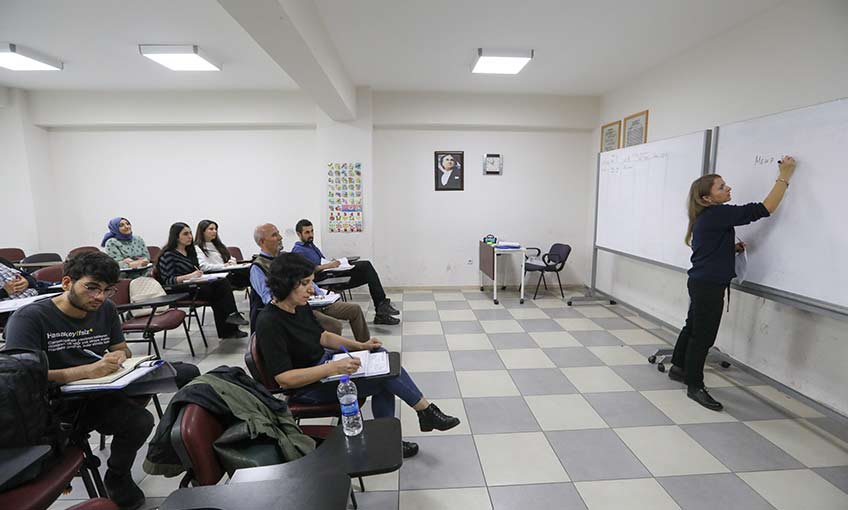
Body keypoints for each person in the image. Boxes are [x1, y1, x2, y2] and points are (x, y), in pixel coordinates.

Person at [255, 253, 460, 459]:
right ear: (285, 284)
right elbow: (285, 379)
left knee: (380, 357)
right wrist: (333, 368)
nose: (311, 289)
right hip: (307, 387)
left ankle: (405, 427)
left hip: (325, 367)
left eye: (311, 282)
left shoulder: (299, 306)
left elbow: (323, 336)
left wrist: (360, 345)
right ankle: (415, 420)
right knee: (384, 378)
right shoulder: (270, 322)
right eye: (305, 283)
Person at [3, 252, 153, 510]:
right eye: (92, 288)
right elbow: (20, 379)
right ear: (66, 283)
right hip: (46, 405)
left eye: (107, 290)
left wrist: (119, 355)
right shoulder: (29, 319)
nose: (99, 297)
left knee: (141, 420)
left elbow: (122, 348)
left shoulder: (106, 308)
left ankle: (117, 476)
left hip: (94, 393)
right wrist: (85, 371)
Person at [671, 155, 797, 411]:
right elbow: (764, 210)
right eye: (721, 187)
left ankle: (678, 368)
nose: (728, 188)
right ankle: (695, 386)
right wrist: (784, 176)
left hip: (700, 281)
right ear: (707, 198)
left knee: (693, 326)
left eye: (725, 184)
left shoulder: (706, 217)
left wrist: (732, 249)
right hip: (708, 285)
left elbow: (708, 249)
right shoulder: (717, 214)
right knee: (703, 336)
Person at [250, 223, 371, 342]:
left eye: (279, 234)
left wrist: (320, 295)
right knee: (334, 325)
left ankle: (366, 347)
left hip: (315, 301)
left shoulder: (287, 258)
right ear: (262, 242)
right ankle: (325, 356)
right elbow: (268, 299)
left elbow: (307, 277)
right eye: (274, 235)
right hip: (298, 307)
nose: (280, 238)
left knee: (354, 310)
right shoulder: (258, 267)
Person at [291, 219, 399, 325]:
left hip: (330, 272)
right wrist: (328, 265)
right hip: (324, 278)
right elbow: (307, 270)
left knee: (367, 269)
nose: (311, 235)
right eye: (307, 232)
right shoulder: (298, 250)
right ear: (299, 234)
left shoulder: (310, 246)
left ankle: (381, 307)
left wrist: (332, 263)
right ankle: (381, 309)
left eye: (312, 231)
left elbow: (321, 261)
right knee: (366, 268)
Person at [156, 222, 248, 339]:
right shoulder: (168, 255)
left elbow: (197, 271)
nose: (190, 236)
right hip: (179, 290)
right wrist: (189, 276)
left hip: (195, 285)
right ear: (176, 237)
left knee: (221, 285)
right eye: (185, 234)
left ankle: (230, 326)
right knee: (220, 289)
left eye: (190, 233)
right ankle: (230, 323)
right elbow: (168, 281)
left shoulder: (190, 252)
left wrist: (199, 276)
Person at [195, 219, 250, 288]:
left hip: (228, 271)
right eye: (211, 229)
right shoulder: (197, 248)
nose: (214, 231)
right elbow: (203, 266)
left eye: (215, 229)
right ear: (202, 231)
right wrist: (223, 266)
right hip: (216, 275)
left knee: (251, 272)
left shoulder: (218, 245)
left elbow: (231, 258)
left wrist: (230, 262)